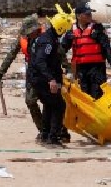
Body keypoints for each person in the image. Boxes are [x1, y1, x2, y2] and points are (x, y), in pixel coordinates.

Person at [0, 14, 43, 138]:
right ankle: (43, 130)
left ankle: (57, 131)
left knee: (51, 103)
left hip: (48, 74)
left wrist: (68, 70)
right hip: (32, 74)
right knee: (30, 101)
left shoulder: (46, 37)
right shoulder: (22, 39)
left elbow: (60, 54)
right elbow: (11, 55)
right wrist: (0, 73)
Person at [30, 13, 73, 146]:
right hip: (43, 80)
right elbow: (40, 61)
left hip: (40, 79)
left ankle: (45, 135)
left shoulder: (50, 38)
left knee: (49, 105)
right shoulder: (48, 42)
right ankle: (53, 138)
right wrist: (51, 80)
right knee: (59, 106)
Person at [61, 3, 111, 100]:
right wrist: (64, 67)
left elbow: (107, 49)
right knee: (84, 95)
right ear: (79, 16)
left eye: (90, 14)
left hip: (97, 68)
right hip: (80, 69)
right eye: (87, 14)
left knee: (97, 93)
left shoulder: (97, 29)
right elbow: (62, 50)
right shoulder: (71, 31)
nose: (90, 16)